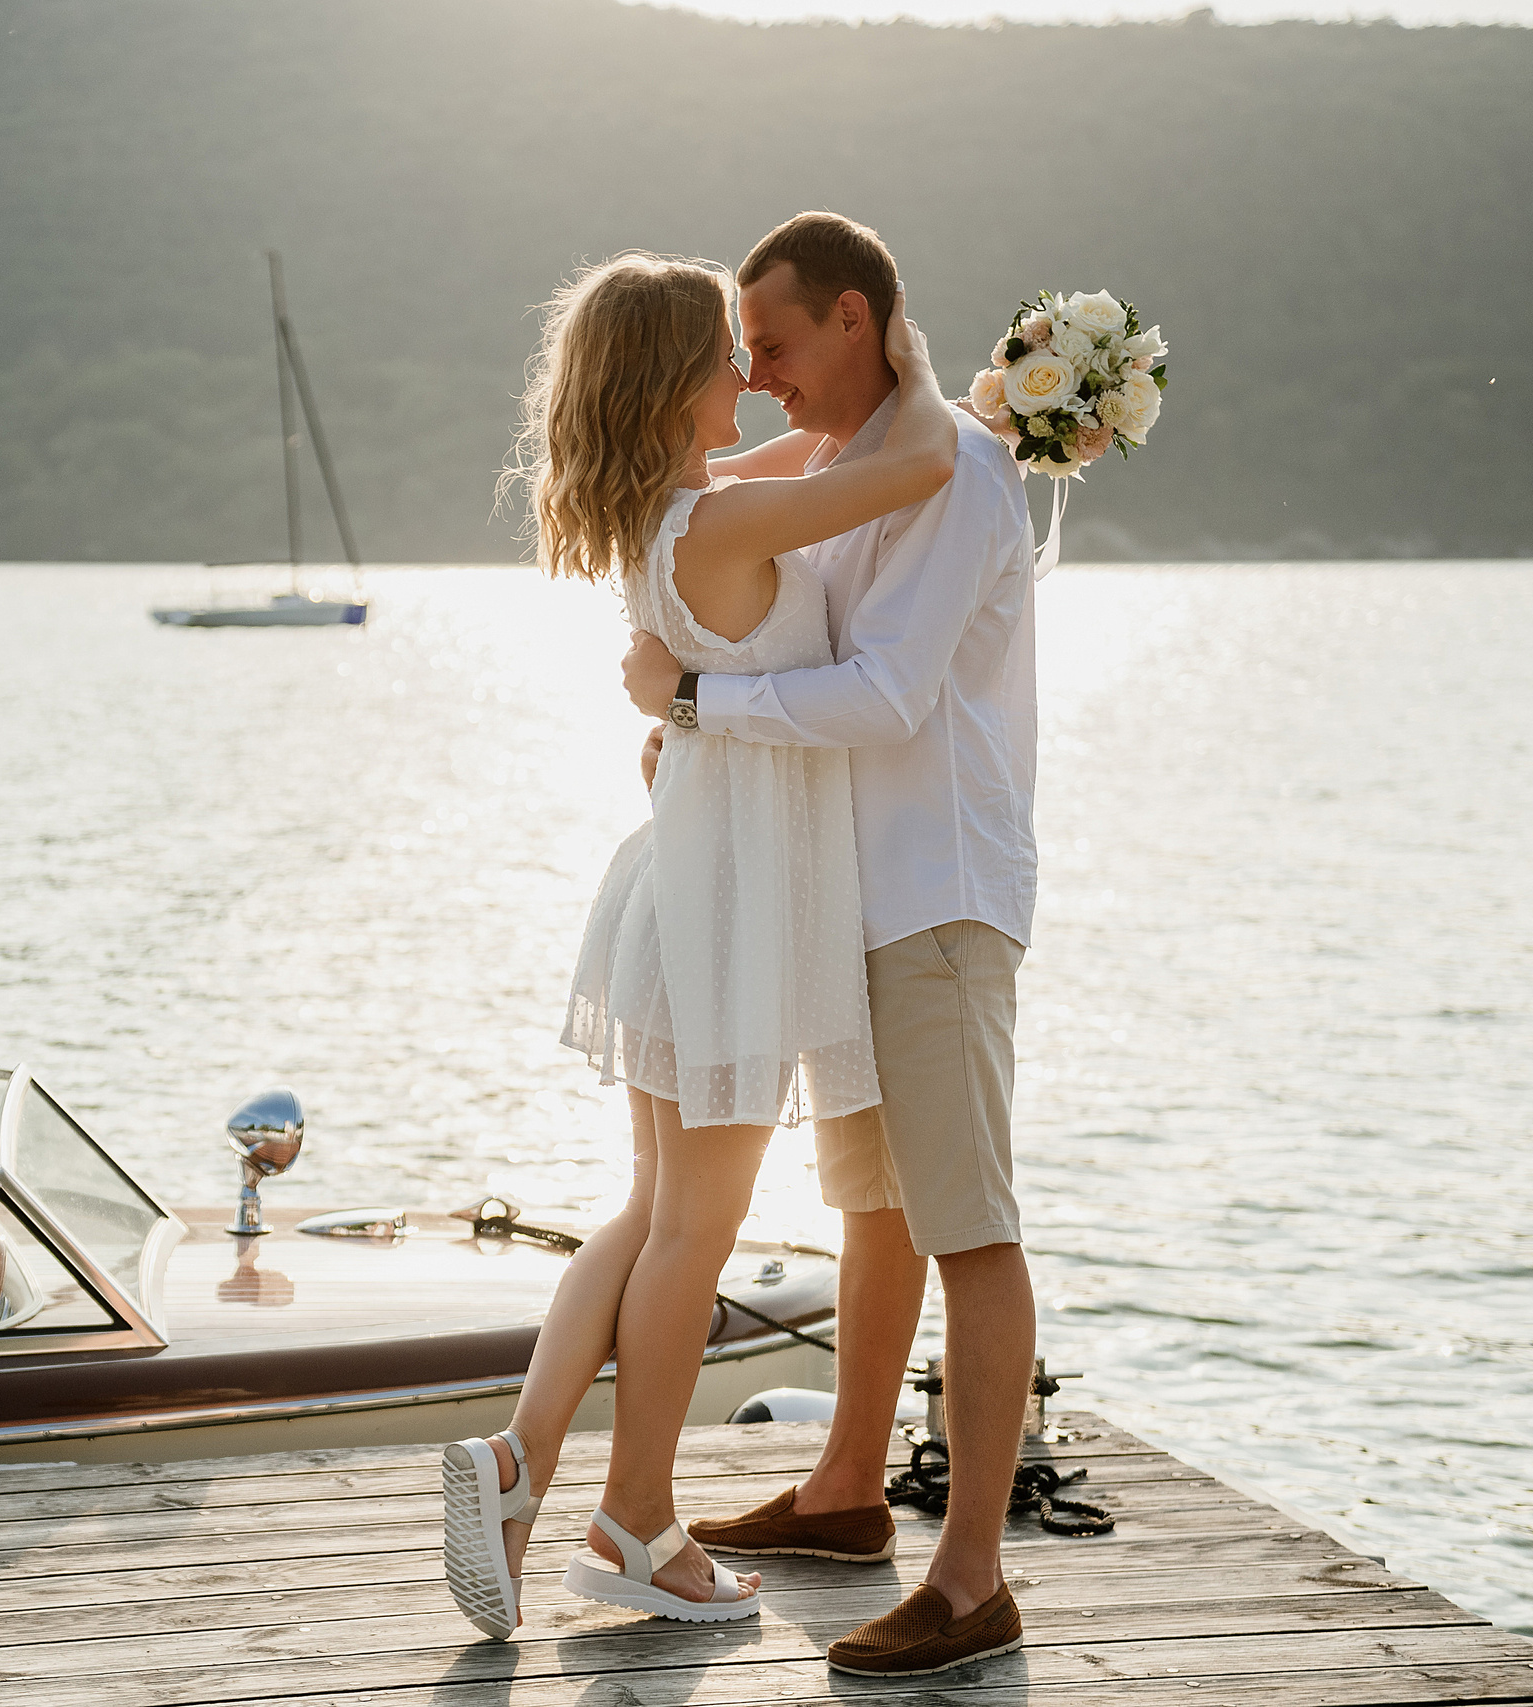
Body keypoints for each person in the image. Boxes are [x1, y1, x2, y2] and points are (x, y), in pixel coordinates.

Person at [440, 250, 958, 1640]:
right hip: (724, 910)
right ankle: (638, 1523)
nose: (752, 372)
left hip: (686, 894)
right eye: (730, 354)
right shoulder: (725, 527)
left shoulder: (677, 514)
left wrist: (852, 404)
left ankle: (517, 1460)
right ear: (677, 380)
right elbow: (906, 470)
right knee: (693, 1231)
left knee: (649, 1212)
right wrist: (926, 372)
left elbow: (821, 451)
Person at [623, 211, 1040, 1679]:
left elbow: (884, 698)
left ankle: (973, 1577)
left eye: (780, 346)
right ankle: (850, 1487)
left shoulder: (961, 479)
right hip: (847, 901)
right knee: (871, 1208)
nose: (764, 374)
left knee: (969, 1226)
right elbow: (697, 510)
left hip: (938, 895)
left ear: (856, 319)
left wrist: (686, 708)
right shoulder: (858, 474)